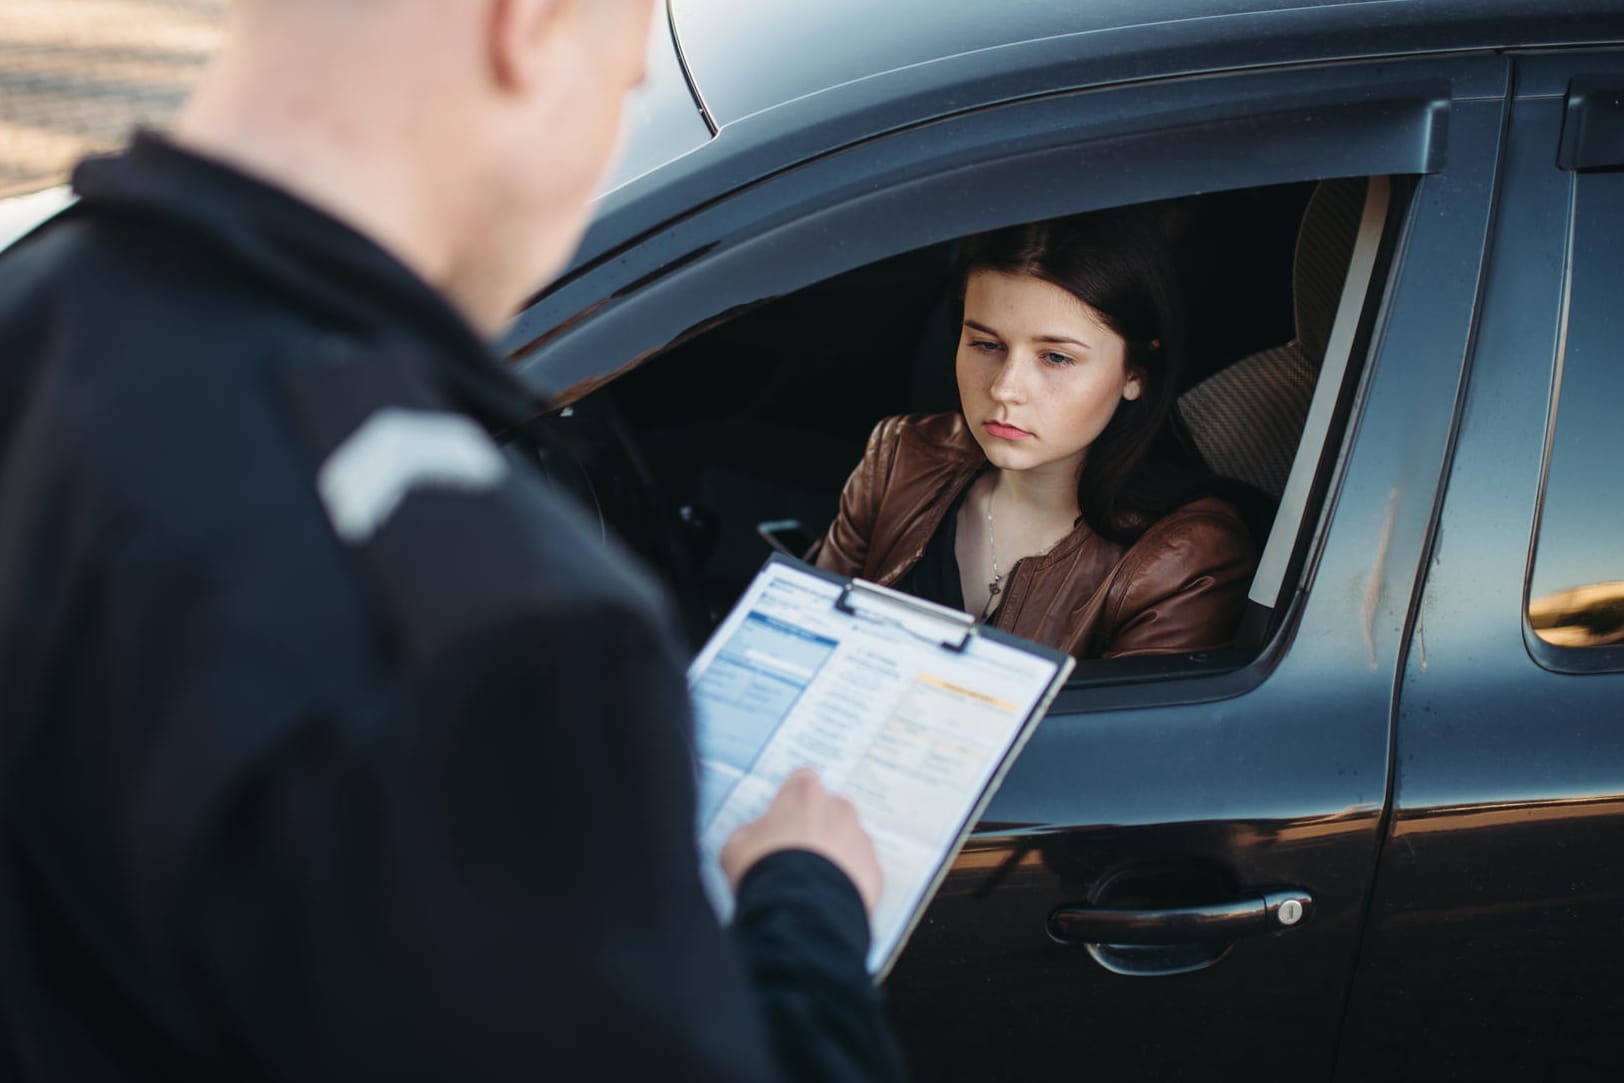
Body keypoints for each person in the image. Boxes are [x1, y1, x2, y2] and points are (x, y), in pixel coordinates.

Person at [0, 1, 906, 1080]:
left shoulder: (30, 313)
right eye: (623, 88)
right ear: (531, 25)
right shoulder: (507, 636)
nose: (605, 149)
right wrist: (805, 906)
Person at [815, 213, 1257, 659]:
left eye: (1056, 358)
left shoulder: (1183, 560)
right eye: (987, 345)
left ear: (1136, 373)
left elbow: (1117, 730)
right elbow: (803, 643)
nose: (1005, 389)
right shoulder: (901, 458)